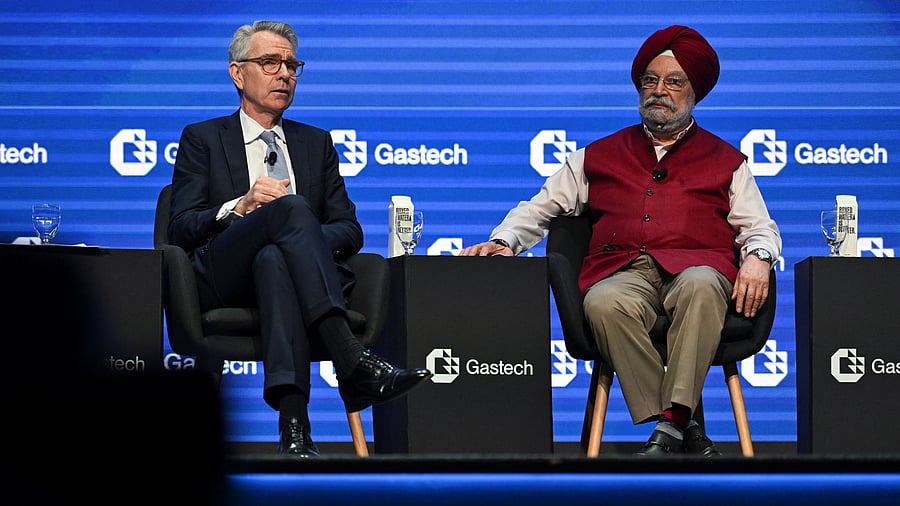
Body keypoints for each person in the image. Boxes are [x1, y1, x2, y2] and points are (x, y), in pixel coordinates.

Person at [461, 25, 781, 457]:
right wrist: (504, 241)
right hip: (625, 272)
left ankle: (671, 426)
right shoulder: (598, 155)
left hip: (698, 271)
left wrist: (759, 257)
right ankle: (679, 425)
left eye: (673, 82)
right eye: (650, 81)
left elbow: (759, 226)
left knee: (702, 284)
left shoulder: (728, 161)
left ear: (694, 93)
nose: (659, 91)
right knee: (601, 302)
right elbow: (541, 206)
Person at [168, 20, 432, 458]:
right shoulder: (203, 139)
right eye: (270, 62)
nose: (285, 74)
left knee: (276, 256)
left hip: (288, 276)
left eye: (292, 65)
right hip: (223, 272)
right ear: (238, 73)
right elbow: (181, 227)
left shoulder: (315, 143)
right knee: (288, 208)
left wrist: (295, 234)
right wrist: (239, 207)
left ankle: (295, 432)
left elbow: (349, 229)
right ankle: (352, 361)